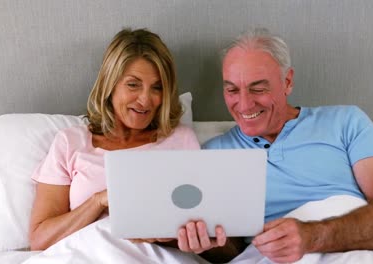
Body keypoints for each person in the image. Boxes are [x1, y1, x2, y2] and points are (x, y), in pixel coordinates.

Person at [28, 28, 245, 262]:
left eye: (157, 87)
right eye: (133, 84)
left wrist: (165, 235)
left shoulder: (180, 140)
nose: (145, 100)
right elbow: (40, 240)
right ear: (110, 85)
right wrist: (99, 201)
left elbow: (222, 243)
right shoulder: (70, 142)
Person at [203, 28, 373, 263]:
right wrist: (202, 243)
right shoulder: (214, 155)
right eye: (232, 89)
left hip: (355, 251)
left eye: (258, 89)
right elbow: (229, 250)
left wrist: (311, 236)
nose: (243, 105)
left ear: (287, 82)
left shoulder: (345, 122)